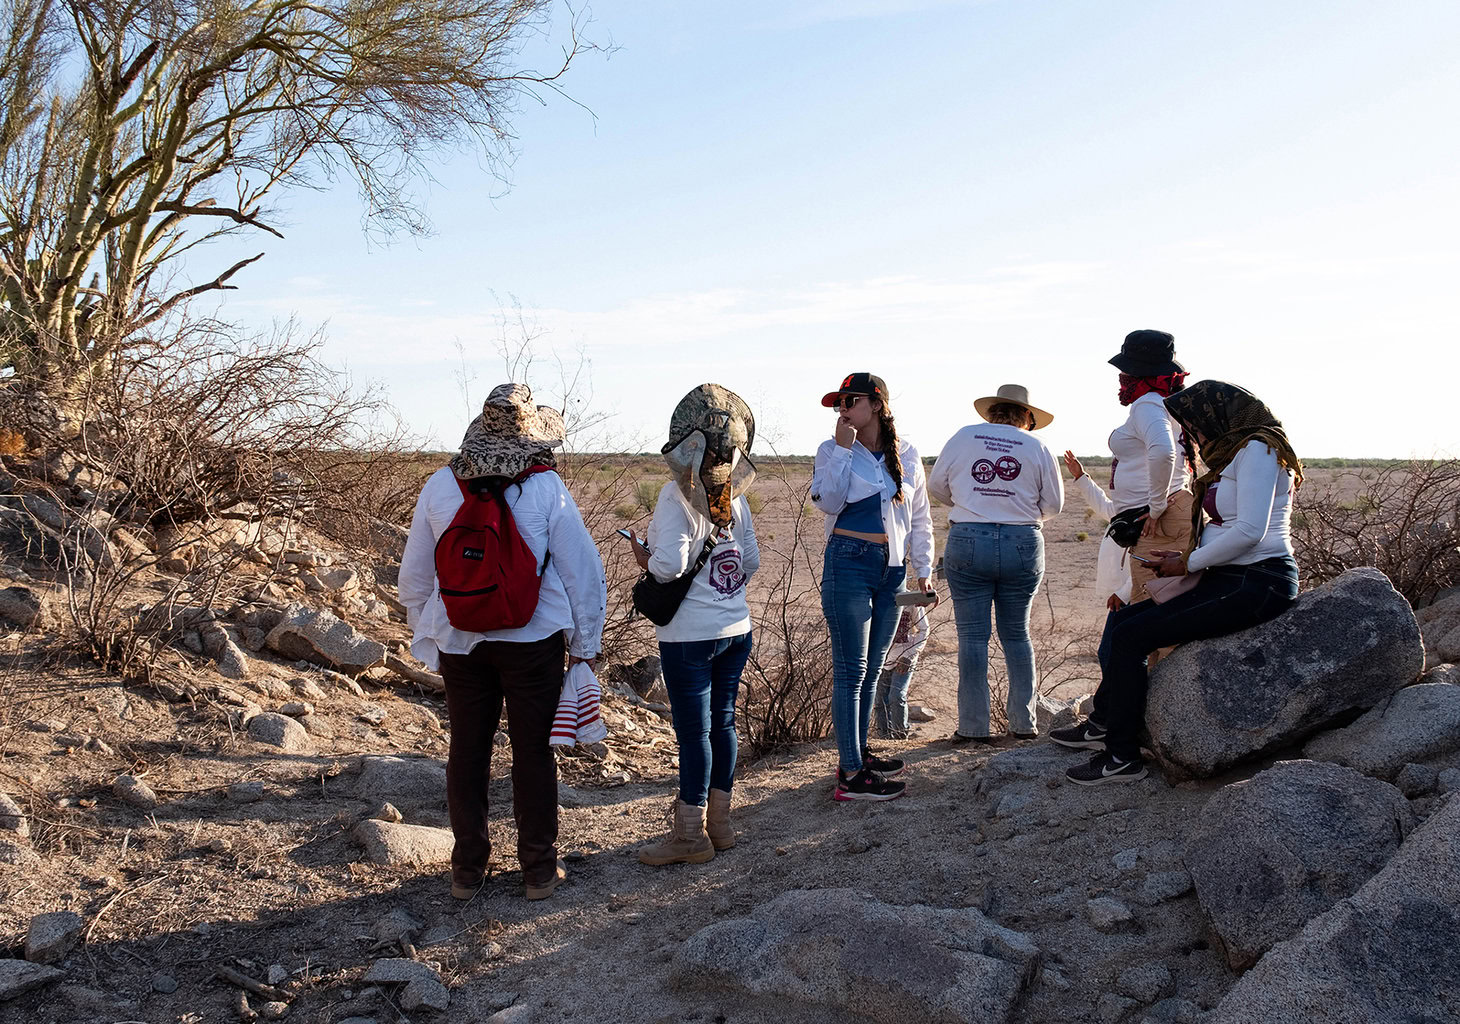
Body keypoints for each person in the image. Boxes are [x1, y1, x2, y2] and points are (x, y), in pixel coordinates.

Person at [398, 383, 607, 900]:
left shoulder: (440, 484)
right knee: (533, 753)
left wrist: (427, 626)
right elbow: (583, 571)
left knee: (467, 751)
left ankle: (467, 871)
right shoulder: (545, 487)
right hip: (530, 638)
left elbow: (415, 576)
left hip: (460, 638)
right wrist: (585, 641)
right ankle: (537, 871)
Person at [1053, 380, 1304, 785]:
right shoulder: (1238, 453)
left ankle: (1121, 757)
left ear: (1215, 416)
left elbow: (1251, 532)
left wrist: (1188, 563)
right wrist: (1183, 558)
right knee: (1123, 624)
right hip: (1231, 574)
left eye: (1194, 425)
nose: (1194, 435)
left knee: (1134, 636)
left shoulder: (1259, 449)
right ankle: (1105, 727)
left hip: (1258, 580)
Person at [630, 385, 760, 865]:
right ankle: (720, 825)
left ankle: (690, 835)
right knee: (723, 723)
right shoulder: (735, 495)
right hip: (735, 629)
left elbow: (667, 567)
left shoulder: (675, 495)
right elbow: (749, 560)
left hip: (689, 636)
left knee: (693, 733)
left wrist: (642, 556)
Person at [812, 372, 935, 802]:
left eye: (851, 400)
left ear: (877, 405)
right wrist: (844, 449)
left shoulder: (909, 454)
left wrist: (924, 568)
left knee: (873, 668)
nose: (842, 409)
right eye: (838, 403)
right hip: (848, 562)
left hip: (893, 570)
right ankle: (849, 774)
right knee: (851, 670)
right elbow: (827, 501)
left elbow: (920, 516)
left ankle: (859, 756)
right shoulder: (831, 450)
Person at [928, 384, 1063, 742]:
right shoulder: (1037, 446)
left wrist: (973, 505)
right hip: (1022, 541)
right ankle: (1023, 723)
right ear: (1027, 417)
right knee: (1017, 634)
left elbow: (937, 486)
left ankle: (973, 727)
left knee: (972, 637)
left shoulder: (964, 437)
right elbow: (1054, 505)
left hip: (969, 537)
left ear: (991, 413)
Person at [1064, 329, 1192, 610]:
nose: (1121, 380)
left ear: (1138, 374)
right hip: (1169, 511)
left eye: (1125, 372)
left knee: (1145, 620)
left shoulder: (1147, 404)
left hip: (1158, 517)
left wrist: (1156, 507)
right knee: (1157, 617)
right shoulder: (1169, 406)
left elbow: (1163, 452)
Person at [873, 601, 929, 739]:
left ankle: (900, 736)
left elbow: (924, 629)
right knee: (879, 700)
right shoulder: (874, 595)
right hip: (880, 657)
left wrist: (909, 655)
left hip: (904, 655)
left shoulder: (910, 599)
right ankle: (884, 737)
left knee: (896, 696)